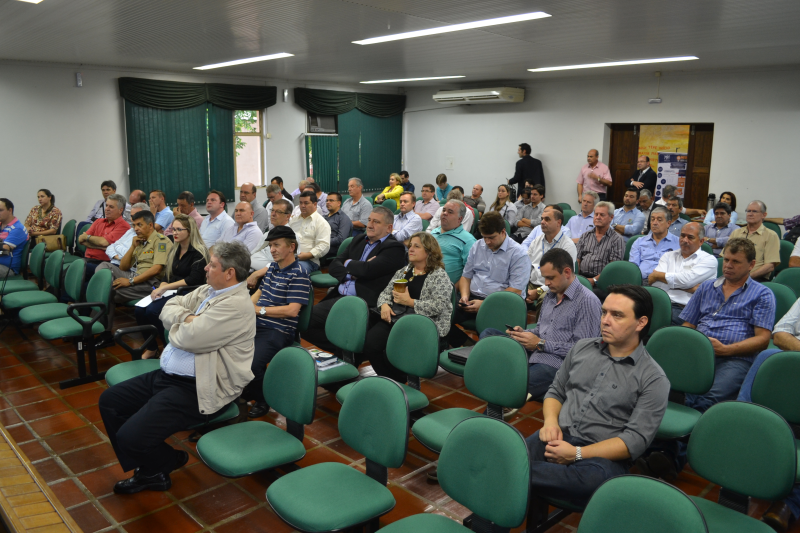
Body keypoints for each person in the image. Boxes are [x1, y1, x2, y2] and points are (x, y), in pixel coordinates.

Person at [98, 241, 255, 494]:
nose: (205, 268)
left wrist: (181, 325)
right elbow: (169, 306)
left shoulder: (236, 306)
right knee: (111, 401)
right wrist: (188, 319)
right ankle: (156, 465)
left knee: (130, 436)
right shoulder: (208, 290)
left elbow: (182, 338)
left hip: (198, 387)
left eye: (212, 264)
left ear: (230, 273)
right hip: (168, 376)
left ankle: (157, 466)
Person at [638, 238, 775, 481]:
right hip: (698, 354)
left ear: (751, 264)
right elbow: (689, 323)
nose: (729, 266)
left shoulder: (762, 294)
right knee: (660, 387)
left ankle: (670, 455)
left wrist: (727, 349)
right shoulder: (706, 287)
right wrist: (689, 348)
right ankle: (654, 450)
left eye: (736, 262)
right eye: (727, 260)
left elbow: (763, 339)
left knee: (707, 398)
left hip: (735, 357)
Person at [525, 285, 669, 515]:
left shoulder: (653, 378)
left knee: (594, 479)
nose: (605, 320)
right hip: (558, 436)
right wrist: (550, 422)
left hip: (601, 457)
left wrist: (577, 454)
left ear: (641, 323)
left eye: (617, 315)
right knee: (519, 452)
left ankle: (514, 473)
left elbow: (634, 441)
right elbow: (556, 391)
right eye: (604, 312)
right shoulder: (582, 348)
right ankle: (518, 476)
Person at [482, 248, 601, 400]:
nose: (546, 283)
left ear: (567, 272)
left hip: (558, 364)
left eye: (550, 278)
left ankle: (501, 395)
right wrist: (524, 333)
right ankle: (511, 377)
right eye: (545, 278)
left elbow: (583, 352)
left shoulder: (587, 302)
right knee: (489, 335)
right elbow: (541, 329)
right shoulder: (551, 295)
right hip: (535, 352)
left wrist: (540, 344)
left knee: (511, 385)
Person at [302, 207, 406, 354]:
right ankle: (345, 351)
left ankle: (349, 353)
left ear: (389, 228)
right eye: (369, 220)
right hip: (340, 296)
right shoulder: (358, 240)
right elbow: (334, 265)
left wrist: (348, 263)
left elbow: (367, 270)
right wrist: (351, 273)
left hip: (364, 302)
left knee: (346, 330)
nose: (369, 225)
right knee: (305, 322)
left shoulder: (394, 248)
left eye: (376, 222)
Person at [737, 296, 800, 533]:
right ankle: (743, 424)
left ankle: (790, 505)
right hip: (795, 360)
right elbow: (781, 333)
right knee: (766, 357)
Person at [243, 226, 311, 418]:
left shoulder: (299, 273)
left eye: (276, 245)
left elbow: (292, 310)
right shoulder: (273, 267)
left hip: (278, 330)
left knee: (251, 364)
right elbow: (259, 293)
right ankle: (250, 386)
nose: (272, 249)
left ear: (292, 247)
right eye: (271, 245)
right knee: (227, 347)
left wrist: (259, 311)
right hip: (258, 322)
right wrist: (246, 308)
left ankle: (264, 399)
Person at [368, 233, 452, 382]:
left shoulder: (439, 275)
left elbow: (438, 306)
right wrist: (385, 305)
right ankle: (391, 380)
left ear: (429, 251)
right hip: (397, 317)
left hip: (423, 323)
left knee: (391, 350)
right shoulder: (405, 270)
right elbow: (385, 292)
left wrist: (411, 302)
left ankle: (398, 381)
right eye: (410, 245)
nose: (410, 249)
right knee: (370, 344)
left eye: (416, 246)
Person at [447, 211, 529, 347]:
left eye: (491, 237)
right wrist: (465, 296)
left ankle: (480, 350)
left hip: (502, 304)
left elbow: (515, 291)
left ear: (503, 232)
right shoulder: (477, 246)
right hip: (472, 299)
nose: (487, 242)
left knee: (489, 332)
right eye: (484, 237)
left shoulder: (518, 254)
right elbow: (466, 276)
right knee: (440, 313)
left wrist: (486, 305)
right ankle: (465, 344)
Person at [134, 215, 209, 359]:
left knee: (153, 311)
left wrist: (166, 288)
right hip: (172, 290)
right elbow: (168, 275)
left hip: (188, 292)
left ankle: (168, 345)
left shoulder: (199, 252)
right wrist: (161, 287)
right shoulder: (175, 249)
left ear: (189, 231)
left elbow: (193, 280)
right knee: (139, 310)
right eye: (173, 229)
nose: (174, 233)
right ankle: (151, 348)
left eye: (179, 229)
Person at [96, 210, 173, 335]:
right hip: (135, 276)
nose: (136, 228)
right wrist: (132, 247)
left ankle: (103, 333)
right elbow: (123, 267)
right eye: (134, 225)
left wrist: (130, 281)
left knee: (107, 292)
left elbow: (157, 269)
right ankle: (94, 328)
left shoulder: (161, 241)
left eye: (139, 225)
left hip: (151, 283)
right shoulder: (140, 242)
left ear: (150, 225)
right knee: (104, 266)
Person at [649, 222, 718, 324]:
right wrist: (692, 288)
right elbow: (656, 284)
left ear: (701, 241)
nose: (684, 240)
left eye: (690, 237)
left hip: (687, 309)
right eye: (682, 236)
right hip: (662, 304)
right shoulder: (668, 256)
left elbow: (686, 281)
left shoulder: (709, 260)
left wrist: (659, 276)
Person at [525, 207, 577, 295]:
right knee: (514, 298)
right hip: (531, 284)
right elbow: (525, 265)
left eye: (547, 219)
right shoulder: (537, 241)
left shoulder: (567, 245)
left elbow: (566, 277)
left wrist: (539, 291)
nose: (542, 222)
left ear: (558, 223)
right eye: (542, 219)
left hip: (553, 288)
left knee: (546, 301)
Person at [724, 200, 780, 281]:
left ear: (764, 215)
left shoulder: (771, 235)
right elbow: (724, 257)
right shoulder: (736, 233)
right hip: (731, 276)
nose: (750, 214)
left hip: (755, 279)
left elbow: (770, 266)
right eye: (748, 211)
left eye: (754, 211)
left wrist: (747, 278)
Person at [79, 194, 131, 278]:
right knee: (71, 269)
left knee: (77, 269)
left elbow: (104, 242)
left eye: (111, 207)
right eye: (106, 205)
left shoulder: (123, 226)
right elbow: (81, 239)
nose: (107, 209)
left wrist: (88, 238)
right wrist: (100, 245)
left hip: (105, 263)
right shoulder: (98, 221)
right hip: (88, 259)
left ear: (120, 210)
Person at [575, 201, 625, 289]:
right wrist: (578, 279)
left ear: (611, 217)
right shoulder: (585, 236)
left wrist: (594, 280)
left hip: (604, 282)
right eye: (596, 214)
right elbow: (577, 261)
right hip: (582, 279)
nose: (598, 217)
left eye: (602, 215)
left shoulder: (617, 239)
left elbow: (612, 269)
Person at [629, 206, 679, 283]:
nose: (655, 223)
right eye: (652, 219)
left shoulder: (678, 243)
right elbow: (633, 267)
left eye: (659, 220)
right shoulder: (639, 242)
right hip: (640, 282)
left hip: (665, 283)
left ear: (668, 223)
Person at [431, 200, 477, 283]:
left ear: (460, 218)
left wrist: (454, 290)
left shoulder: (468, 240)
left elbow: (470, 273)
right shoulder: (433, 233)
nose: (445, 213)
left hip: (449, 290)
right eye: (444, 210)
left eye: (450, 212)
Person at [248, 199, 293, 282]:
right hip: (250, 270)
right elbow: (253, 252)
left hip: (269, 278)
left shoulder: (290, 237)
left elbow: (285, 264)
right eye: (272, 210)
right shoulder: (268, 234)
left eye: (278, 212)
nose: (273, 214)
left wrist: (257, 274)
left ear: (288, 216)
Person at [288, 191, 331, 274]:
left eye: (306, 203)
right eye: (301, 203)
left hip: (309, 261)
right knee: (272, 266)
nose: (303, 206)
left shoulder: (321, 223)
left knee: (294, 270)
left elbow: (324, 245)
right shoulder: (293, 221)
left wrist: (307, 255)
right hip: (290, 257)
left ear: (315, 204)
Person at [105, 203, 147, 268]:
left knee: (103, 267)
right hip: (115, 263)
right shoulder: (131, 231)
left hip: (127, 270)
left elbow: (131, 257)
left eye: (136, 216)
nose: (133, 219)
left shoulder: (145, 236)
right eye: (132, 216)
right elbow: (110, 247)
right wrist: (117, 257)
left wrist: (117, 248)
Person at [0, 199, 30, 278]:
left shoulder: (17, 229)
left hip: (7, 268)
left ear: (10, 210)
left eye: (0, 210)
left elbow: (3, 251)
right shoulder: (1, 225)